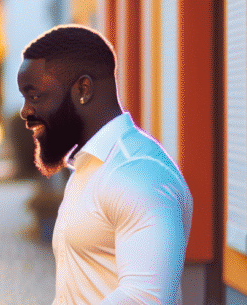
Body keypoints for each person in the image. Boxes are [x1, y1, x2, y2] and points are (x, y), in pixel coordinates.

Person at [16, 24, 193, 304]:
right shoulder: (89, 168)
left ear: (83, 89)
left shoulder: (139, 173)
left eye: (35, 96)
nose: (25, 111)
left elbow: (146, 299)